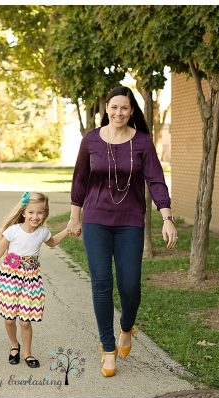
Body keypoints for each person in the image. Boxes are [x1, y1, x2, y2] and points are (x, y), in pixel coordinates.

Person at [67, 86, 177, 378]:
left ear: (131, 111)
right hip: (95, 221)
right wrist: (74, 217)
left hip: (130, 221)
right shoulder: (91, 140)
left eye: (124, 108)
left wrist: (166, 216)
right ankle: (107, 348)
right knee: (101, 284)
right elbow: (79, 179)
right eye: (114, 107)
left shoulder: (142, 142)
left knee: (130, 287)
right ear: (106, 108)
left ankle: (127, 327)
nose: (118, 113)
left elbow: (155, 180)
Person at [0, 191, 68, 368]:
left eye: (40, 213)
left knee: (25, 321)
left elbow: (53, 243)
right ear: (23, 212)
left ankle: (28, 353)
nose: (35, 217)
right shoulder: (13, 231)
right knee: (9, 319)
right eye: (31, 212)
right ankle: (14, 346)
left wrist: (68, 229)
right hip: (10, 278)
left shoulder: (43, 232)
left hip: (30, 280)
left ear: (45, 213)